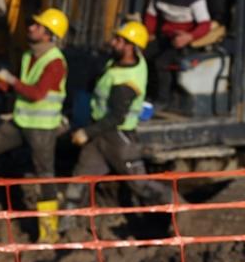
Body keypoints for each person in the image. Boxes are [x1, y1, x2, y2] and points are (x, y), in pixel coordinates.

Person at [0, 7, 69, 243]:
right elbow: (16, 86)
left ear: (48, 34)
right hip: (21, 121)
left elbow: (38, 93)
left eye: (38, 26)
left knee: (45, 178)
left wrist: (10, 79)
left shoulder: (55, 63)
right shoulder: (29, 56)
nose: (31, 27)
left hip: (42, 129)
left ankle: (49, 232)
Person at [65, 21, 170, 210]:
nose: (113, 43)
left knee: (140, 184)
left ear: (131, 47)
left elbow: (117, 117)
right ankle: (67, 225)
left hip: (119, 138)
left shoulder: (127, 82)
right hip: (100, 133)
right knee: (79, 182)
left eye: (119, 41)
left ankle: (177, 209)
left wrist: (86, 133)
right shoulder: (122, 61)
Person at [142, 0, 212, 107]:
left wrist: (189, 36)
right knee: (142, 54)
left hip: (183, 40)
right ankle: (146, 93)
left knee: (161, 62)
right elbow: (151, 16)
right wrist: (148, 34)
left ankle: (163, 100)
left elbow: (205, 24)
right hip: (164, 36)